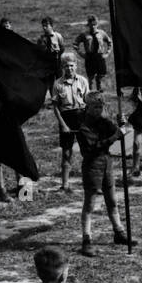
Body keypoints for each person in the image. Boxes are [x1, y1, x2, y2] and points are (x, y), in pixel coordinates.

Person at [75, 92, 130, 256]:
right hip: (92, 166)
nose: (99, 109)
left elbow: (117, 132)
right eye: (95, 106)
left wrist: (121, 123)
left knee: (112, 201)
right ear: (88, 107)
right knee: (90, 204)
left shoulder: (103, 122)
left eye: (101, 106)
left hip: (107, 164)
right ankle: (86, 239)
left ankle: (119, 232)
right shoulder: (83, 126)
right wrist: (116, 135)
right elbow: (94, 147)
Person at [50, 53, 89, 193]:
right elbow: (55, 107)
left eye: (72, 65)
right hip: (66, 118)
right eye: (66, 66)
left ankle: (89, 181)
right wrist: (63, 125)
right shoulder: (58, 84)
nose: (69, 68)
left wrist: (88, 122)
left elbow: (88, 101)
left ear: (76, 66)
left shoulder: (83, 81)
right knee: (66, 153)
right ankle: (65, 185)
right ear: (62, 67)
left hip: (81, 116)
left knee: (87, 151)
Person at [76, 16, 111, 92]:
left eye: (94, 24)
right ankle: (90, 95)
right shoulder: (84, 34)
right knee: (91, 77)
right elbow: (75, 44)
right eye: (90, 25)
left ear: (97, 24)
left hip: (99, 56)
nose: (92, 26)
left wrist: (107, 53)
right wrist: (81, 53)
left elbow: (109, 42)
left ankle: (100, 95)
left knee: (100, 77)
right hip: (89, 57)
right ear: (88, 25)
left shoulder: (102, 33)